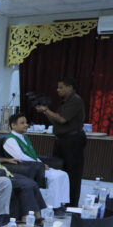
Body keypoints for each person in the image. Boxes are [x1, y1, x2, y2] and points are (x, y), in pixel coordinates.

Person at [35, 76, 86, 206]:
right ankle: (58, 202)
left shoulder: (75, 100)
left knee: (72, 173)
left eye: (61, 87)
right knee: (58, 169)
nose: (58, 90)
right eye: (57, 87)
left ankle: (71, 205)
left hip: (73, 140)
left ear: (70, 87)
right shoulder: (65, 101)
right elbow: (56, 120)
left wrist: (46, 110)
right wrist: (46, 112)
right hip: (61, 140)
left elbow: (62, 119)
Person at [3, 113, 69, 209]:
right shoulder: (10, 140)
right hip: (27, 167)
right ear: (13, 125)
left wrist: (42, 163)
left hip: (36, 165)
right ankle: (52, 207)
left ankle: (61, 204)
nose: (26, 125)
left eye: (26, 122)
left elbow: (33, 155)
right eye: (22, 123)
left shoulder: (24, 137)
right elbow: (20, 157)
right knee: (55, 177)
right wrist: (40, 165)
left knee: (63, 174)